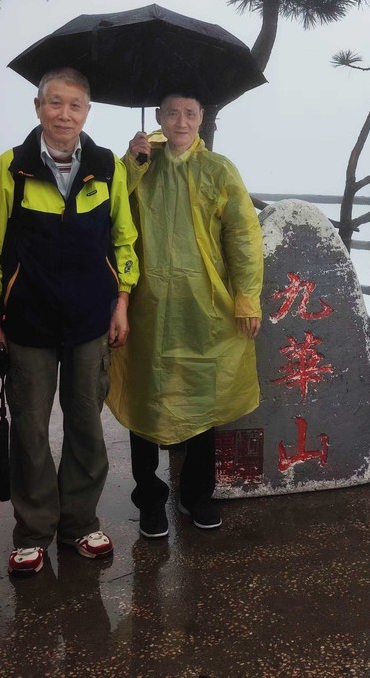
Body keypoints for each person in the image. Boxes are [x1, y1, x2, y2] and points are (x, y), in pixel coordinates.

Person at [0, 68, 139, 575]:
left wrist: (121, 301)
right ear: (37, 107)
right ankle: (34, 531)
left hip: (89, 320)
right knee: (31, 429)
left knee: (85, 424)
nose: (64, 114)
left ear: (87, 112)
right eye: (55, 103)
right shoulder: (10, 169)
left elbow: (122, 239)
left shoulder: (107, 167)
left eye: (75, 105)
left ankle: (80, 523)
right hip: (28, 321)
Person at [106, 91, 263, 536]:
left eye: (189, 114)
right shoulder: (138, 162)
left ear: (200, 119)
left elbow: (243, 236)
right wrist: (130, 161)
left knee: (202, 395)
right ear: (157, 116)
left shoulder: (218, 169)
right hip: (146, 301)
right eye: (171, 113)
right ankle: (150, 498)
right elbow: (110, 210)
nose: (180, 122)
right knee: (144, 393)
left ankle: (197, 494)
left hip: (205, 305)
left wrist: (246, 297)